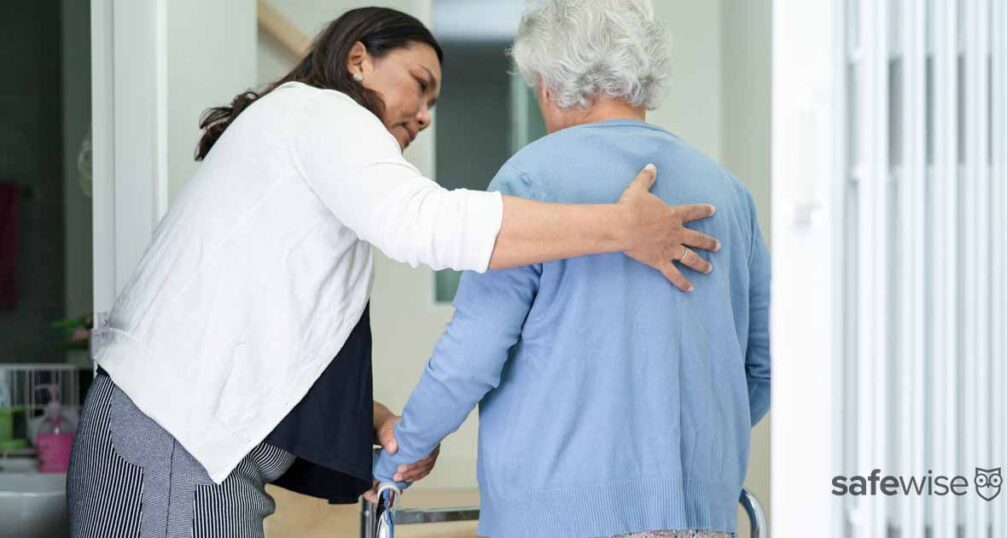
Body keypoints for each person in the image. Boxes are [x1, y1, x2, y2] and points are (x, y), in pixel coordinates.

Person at [66, 6, 722, 537]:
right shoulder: (322, 113)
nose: (425, 113)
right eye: (419, 83)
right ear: (359, 60)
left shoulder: (304, 138)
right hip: (171, 443)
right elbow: (426, 226)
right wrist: (619, 226)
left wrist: (378, 421)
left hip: (180, 442)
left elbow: (277, 326)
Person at [372, 1, 771, 537]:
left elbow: (472, 352)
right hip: (702, 514)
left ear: (547, 82)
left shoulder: (532, 182)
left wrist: (404, 451)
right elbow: (760, 367)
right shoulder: (730, 196)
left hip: (554, 519)